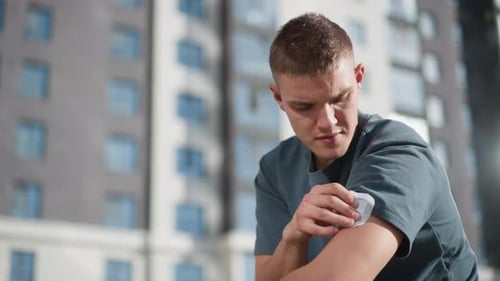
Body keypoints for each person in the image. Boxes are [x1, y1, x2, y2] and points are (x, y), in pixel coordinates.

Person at [254, 13, 478, 280]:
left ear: (359, 78)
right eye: (304, 107)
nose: (327, 121)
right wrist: (293, 237)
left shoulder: (400, 155)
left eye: (340, 98)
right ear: (279, 98)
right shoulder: (275, 170)